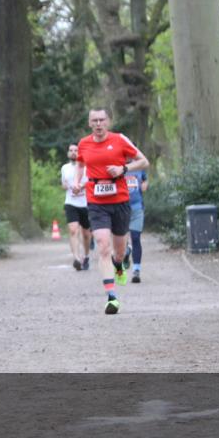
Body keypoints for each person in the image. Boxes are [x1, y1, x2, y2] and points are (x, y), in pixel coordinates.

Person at [76, 108, 149, 315]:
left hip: (120, 201)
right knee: (102, 245)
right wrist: (77, 182)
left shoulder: (120, 140)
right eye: (94, 120)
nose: (98, 124)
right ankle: (112, 297)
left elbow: (144, 161)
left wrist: (123, 170)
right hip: (96, 201)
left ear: (108, 121)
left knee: (118, 251)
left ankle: (121, 261)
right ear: (90, 123)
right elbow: (81, 165)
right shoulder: (84, 144)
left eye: (102, 120)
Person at [60, 143, 92, 270]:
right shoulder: (64, 168)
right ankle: (77, 259)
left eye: (76, 150)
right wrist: (69, 186)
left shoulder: (86, 166)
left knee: (86, 234)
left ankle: (86, 255)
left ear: (80, 153)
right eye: (71, 150)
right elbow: (63, 184)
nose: (73, 152)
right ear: (68, 153)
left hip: (85, 203)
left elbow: (91, 181)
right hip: (70, 203)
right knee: (73, 230)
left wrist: (80, 187)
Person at [126, 168, 148, 283]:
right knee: (121, 241)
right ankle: (126, 252)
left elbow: (145, 179)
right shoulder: (118, 164)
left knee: (135, 237)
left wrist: (144, 184)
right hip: (121, 209)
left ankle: (136, 270)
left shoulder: (139, 166)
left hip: (137, 208)